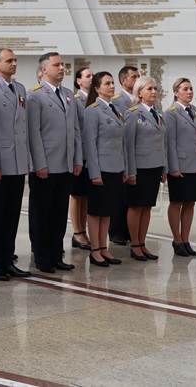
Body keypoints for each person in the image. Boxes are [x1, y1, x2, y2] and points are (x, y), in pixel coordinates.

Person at [27, 52, 82, 273]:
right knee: (42, 213)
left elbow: (75, 130)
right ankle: (42, 257)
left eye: (62, 64)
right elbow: (33, 133)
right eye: (56, 65)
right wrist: (39, 164)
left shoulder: (68, 94)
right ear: (44, 70)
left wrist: (77, 159)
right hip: (46, 165)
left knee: (59, 213)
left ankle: (56, 254)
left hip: (65, 163)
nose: (61, 68)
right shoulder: (35, 95)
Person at [0, 48, 31, 281]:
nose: (14, 64)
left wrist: (26, 159)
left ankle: (7, 259)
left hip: (17, 162)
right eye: (9, 60)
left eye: (15, 60)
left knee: (11, 215)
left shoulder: (19, 89)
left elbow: (23, 128)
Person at [83, 72, 128, 267]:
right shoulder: (92, 110)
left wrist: (125, 168)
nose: (111, 86)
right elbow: (90, 143)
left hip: (115, 167)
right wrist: (94, 172)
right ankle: (95, 250)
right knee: (96, 211)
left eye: (112, 83)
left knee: (108, 210)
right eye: (107, 83)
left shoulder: (115, 109)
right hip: (101, 168)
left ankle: (103, 247)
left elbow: (122, 141)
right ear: (97, 88)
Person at [166, 77, 196, 257]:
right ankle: (177, 240)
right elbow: (170, 143)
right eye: (185, 89)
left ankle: (185, 239)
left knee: (190, 203)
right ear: (176, 92)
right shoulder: (171, 113)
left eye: (191, 88)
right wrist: (173, 167)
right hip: (180, 165)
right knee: (177, 202)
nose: (189, 92)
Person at [125, 76, 166, 261]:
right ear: (139, 93)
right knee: (136, 206)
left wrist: (164, 168)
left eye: (155, 88)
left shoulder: (159, 113)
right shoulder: (133, 113)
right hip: (139, 168)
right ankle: (134, 244)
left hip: (154, 166)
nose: (154, 92)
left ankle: (142, 242)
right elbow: (128, 145)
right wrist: (130, 171)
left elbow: (163, 142)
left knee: (148, 206)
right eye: (149, 88)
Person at [109, 65, 139, 245]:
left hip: (138, 152)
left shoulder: (140, 99)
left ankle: (130, 230)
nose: (137, 80)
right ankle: (116, 231)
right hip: (122, 150)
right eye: (133, 77)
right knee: (120, 195)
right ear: (123, 80)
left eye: (138, 76)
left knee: (133, 197)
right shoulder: (117, 101)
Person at [70, 67, 93, 251]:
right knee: (77, 195)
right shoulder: (75, 100)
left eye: (93, 75)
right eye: (88, 76)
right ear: (79, 81)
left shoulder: (95, 101)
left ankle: (83, 231)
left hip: (91, 155)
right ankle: (77, 232)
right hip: (80, 154)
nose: (91, 78)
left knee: (86, 195)